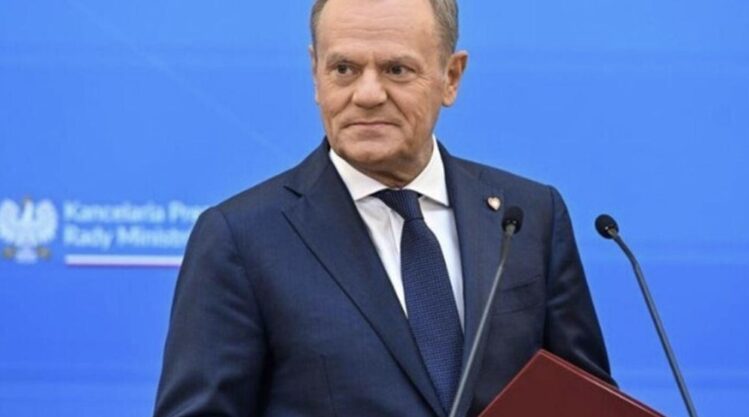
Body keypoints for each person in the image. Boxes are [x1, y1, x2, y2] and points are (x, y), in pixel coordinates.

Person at [154, 0, 612, 416]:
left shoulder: (529, 216)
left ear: (451, 77)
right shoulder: (241, 238)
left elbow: (588, 402)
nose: (368, 94)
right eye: (344, 69)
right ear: (315, 74)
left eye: (396, 69)